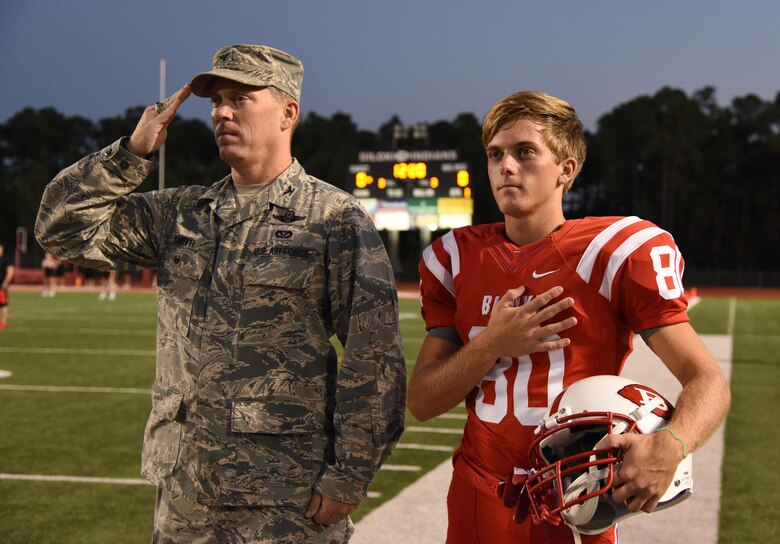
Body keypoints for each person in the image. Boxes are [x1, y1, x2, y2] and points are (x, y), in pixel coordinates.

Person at [36, 44, 406, 543]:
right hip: (185, 492)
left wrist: (350, 474)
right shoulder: (180, 215)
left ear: (288, 113)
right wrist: (132, 154)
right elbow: (61, 230)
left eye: (240, 98)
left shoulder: (333, 220)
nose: (221, 112)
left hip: (284, 498)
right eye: (215, 102)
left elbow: (375, 359)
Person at [408, 91, 730, 544]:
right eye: (495, 154)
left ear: (566, 169)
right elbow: (422, 401)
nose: (506, 167)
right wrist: (491, 344)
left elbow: (707, 379)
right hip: (476, 493)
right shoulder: (454, 258)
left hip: (575, 494)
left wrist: (671, 445)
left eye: (525, 152)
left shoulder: (612, 252)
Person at [0, 244, 14, 329]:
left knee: (3, 305)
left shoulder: (6, 260)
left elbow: (11, 271)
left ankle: (3, 322)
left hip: (1, 286)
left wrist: (6, 282)